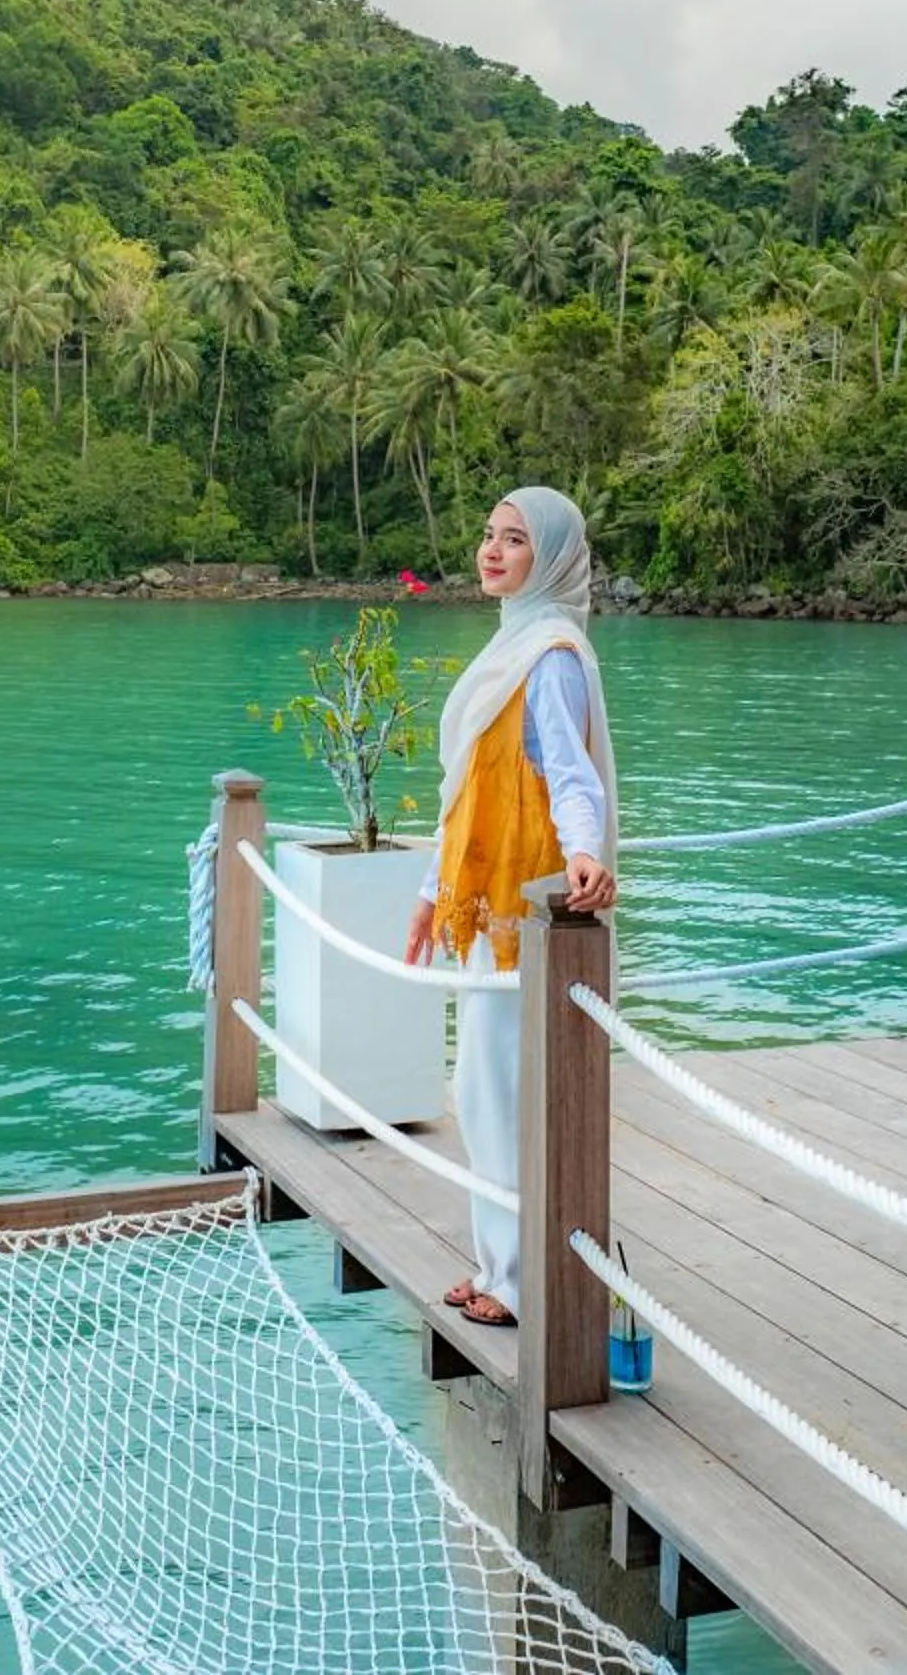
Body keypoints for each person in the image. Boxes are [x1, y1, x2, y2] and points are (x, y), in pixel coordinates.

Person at [402, 486, 617, 1328]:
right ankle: (499, 1264)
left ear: (553, 558)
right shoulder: (512, 645)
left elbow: (570, 775)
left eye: (516, 540)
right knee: (482, 1091)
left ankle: (523, 1281)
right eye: (489, 534)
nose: (492, 551)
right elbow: (467, 793)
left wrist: (585, 854)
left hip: (523, 912)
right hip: (478, 903)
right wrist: (430, 894)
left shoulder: (551, 656)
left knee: (503, 1095)